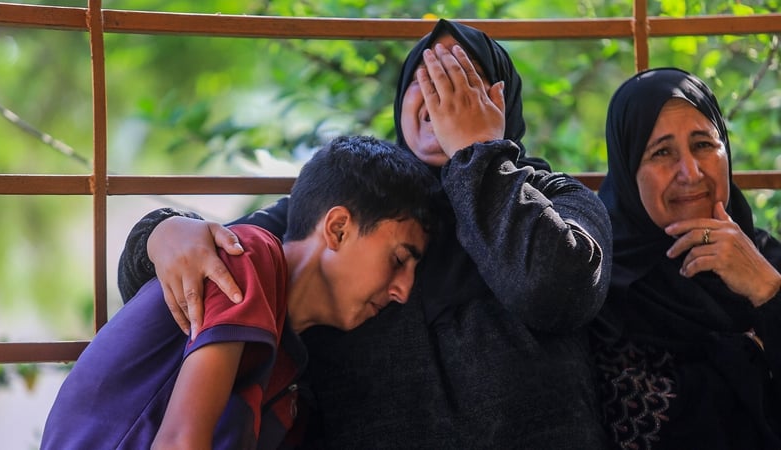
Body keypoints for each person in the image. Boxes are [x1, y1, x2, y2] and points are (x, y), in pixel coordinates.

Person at [118, 19, 613, 448]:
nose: (442, 94)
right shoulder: (354, 208)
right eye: (424, 79)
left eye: (464, 79)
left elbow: (556, 291)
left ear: (502, 104)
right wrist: (161, 234)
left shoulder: (555, 200)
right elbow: (211, 272)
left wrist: (479, 155)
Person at [41, 135, 438, 449]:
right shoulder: (248, 255)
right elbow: (180, 443)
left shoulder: (292, 372)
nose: (403, 290)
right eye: (399, 259)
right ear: (338, 229)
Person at [591, 67, 781, 449]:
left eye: (703, 145)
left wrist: (768, 291)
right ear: (628, 171)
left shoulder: (768, 259)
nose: (690, 172)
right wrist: (752, 353)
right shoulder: (604, 292)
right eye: (661, 152)